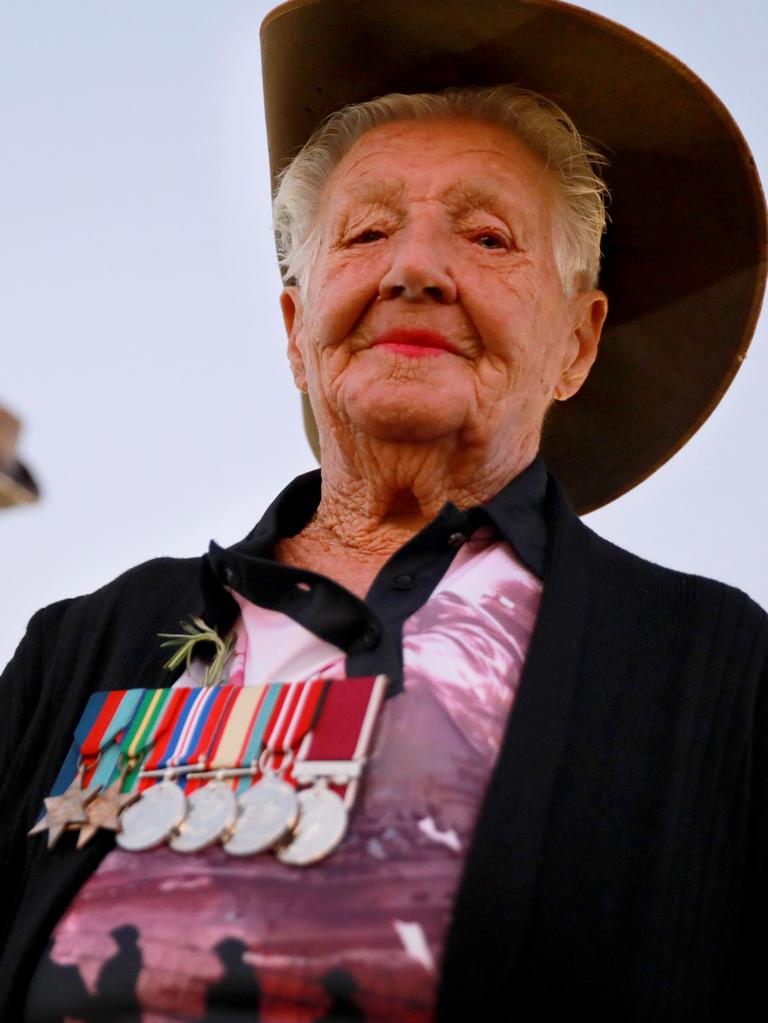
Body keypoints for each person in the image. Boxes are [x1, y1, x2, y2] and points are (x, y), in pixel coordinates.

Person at [2, 1, 767, 1020]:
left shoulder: (705, 674)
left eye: (488, 236)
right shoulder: (85, 648)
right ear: (295, 329)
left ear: (577, 344)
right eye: (367, 231)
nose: (414, 269)